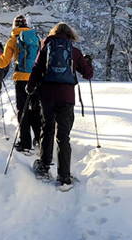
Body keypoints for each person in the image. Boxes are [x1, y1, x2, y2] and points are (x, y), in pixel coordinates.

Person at [26, 22, 93, 186]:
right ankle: (64, 176)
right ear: (70, 35)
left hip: (47, 95)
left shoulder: (46, 47)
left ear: (53, 33)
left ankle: (44, 166)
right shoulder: (74, 51)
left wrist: (30, 86)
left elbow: (36, 68)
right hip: (66, 97)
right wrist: (87, 62)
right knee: (63, 136)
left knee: (47, 129)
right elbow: (88, 74)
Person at [0, 15, 42, 152]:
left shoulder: (13, 40)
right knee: (36, 110)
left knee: (23, 110)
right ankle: (39, 140)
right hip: (36, 79)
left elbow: (3, 62)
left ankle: (25, 143)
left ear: (14, 26)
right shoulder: (37, 39)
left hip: (21, 79)